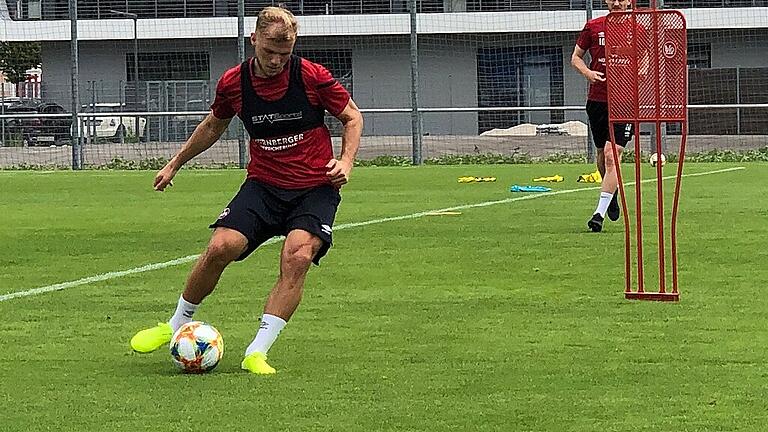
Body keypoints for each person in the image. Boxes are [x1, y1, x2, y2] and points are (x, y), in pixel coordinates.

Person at [129, 6, 363, 374]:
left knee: (297, 255)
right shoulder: (234, 83)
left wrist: (346, 162)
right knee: (222, 247)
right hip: (264, 186)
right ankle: (173, 325)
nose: (275, 60)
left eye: (284, 54)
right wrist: (176, 162)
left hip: (314, 188)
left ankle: (257, 351)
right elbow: (212, 126)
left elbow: (352, 116)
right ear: (253, 39)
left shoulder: (311, 76)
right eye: (269, 51)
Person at [570, 0, 635, 232]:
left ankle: (598, 214)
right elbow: (575, 57)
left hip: (627, 101)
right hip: (598, 100)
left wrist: (641, 74)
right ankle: (612, 194)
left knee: (611, 155)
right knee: (601, 154)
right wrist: (587, 73)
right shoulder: (593, 26)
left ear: (630, 1)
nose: (617, 3)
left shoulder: (639, 27)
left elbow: (648, 58)